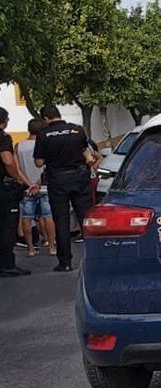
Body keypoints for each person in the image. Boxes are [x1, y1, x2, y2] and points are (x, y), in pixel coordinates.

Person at [33, 106, 95, 272]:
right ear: (58, 115)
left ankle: (65, 262)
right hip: (79, 178)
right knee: (86, 219)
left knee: (61, 221)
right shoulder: (77, 130)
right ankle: (95, 257)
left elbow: (38, 162)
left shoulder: (43, 135)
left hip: (57, 180)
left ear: (46, 118)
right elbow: (85, 151)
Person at [0, 107, 40, 277]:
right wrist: (19, 178)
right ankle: (7, 264)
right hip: (4, 189)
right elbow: (8, 161)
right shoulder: (3, 138)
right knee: (7, 226)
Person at [17, 119, 56, 257]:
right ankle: (51, 246)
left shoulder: (19, 146)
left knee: (27, 217)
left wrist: (28, 183)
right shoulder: (45, 145)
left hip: (27, 187)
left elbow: (18, 168)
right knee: (48, 216)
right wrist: (37, 182)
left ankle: (31, 248)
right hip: (44, 185)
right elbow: (46, 166)